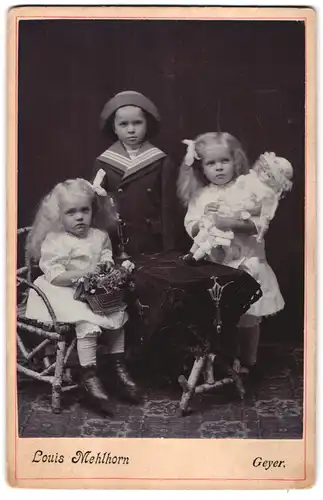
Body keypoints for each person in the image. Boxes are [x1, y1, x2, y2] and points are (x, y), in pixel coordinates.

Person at [25, 178, 140, 414]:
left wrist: (106, 267)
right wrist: (85, 272)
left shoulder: (98, 236)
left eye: (84, 210)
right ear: (58, 216)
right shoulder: (55, 240)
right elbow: (54, 276)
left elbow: (106, 255)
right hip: (60, 291)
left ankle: (118, 366)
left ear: (92, 210)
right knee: (87, 322)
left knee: (117, 315)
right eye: (71, 212)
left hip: (92, 291)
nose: (79, 217)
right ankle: (89, 375)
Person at [177, 132, 286, 375]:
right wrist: (206, 217)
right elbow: (191, 225)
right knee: (220, 317)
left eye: (224, 161)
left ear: (235, 161)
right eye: (211, 163)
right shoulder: (201, 196)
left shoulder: (248, 187)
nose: (218, 168)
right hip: (218, 264)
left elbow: (262, 223)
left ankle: (249, 361)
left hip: (247, 260)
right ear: (201, 167)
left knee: (249, 315)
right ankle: (226, 358)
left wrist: (231, 223)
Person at [91, 90, 179, 257]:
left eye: (137, 123)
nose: (131, 130)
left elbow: (168, 210)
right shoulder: (103, 162)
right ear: (114, 128)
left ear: (147, 125)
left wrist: (170, 249)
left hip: (152, 241)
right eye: (123, 124)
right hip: (118, 239)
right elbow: (98, 209)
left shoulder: (161, 161)